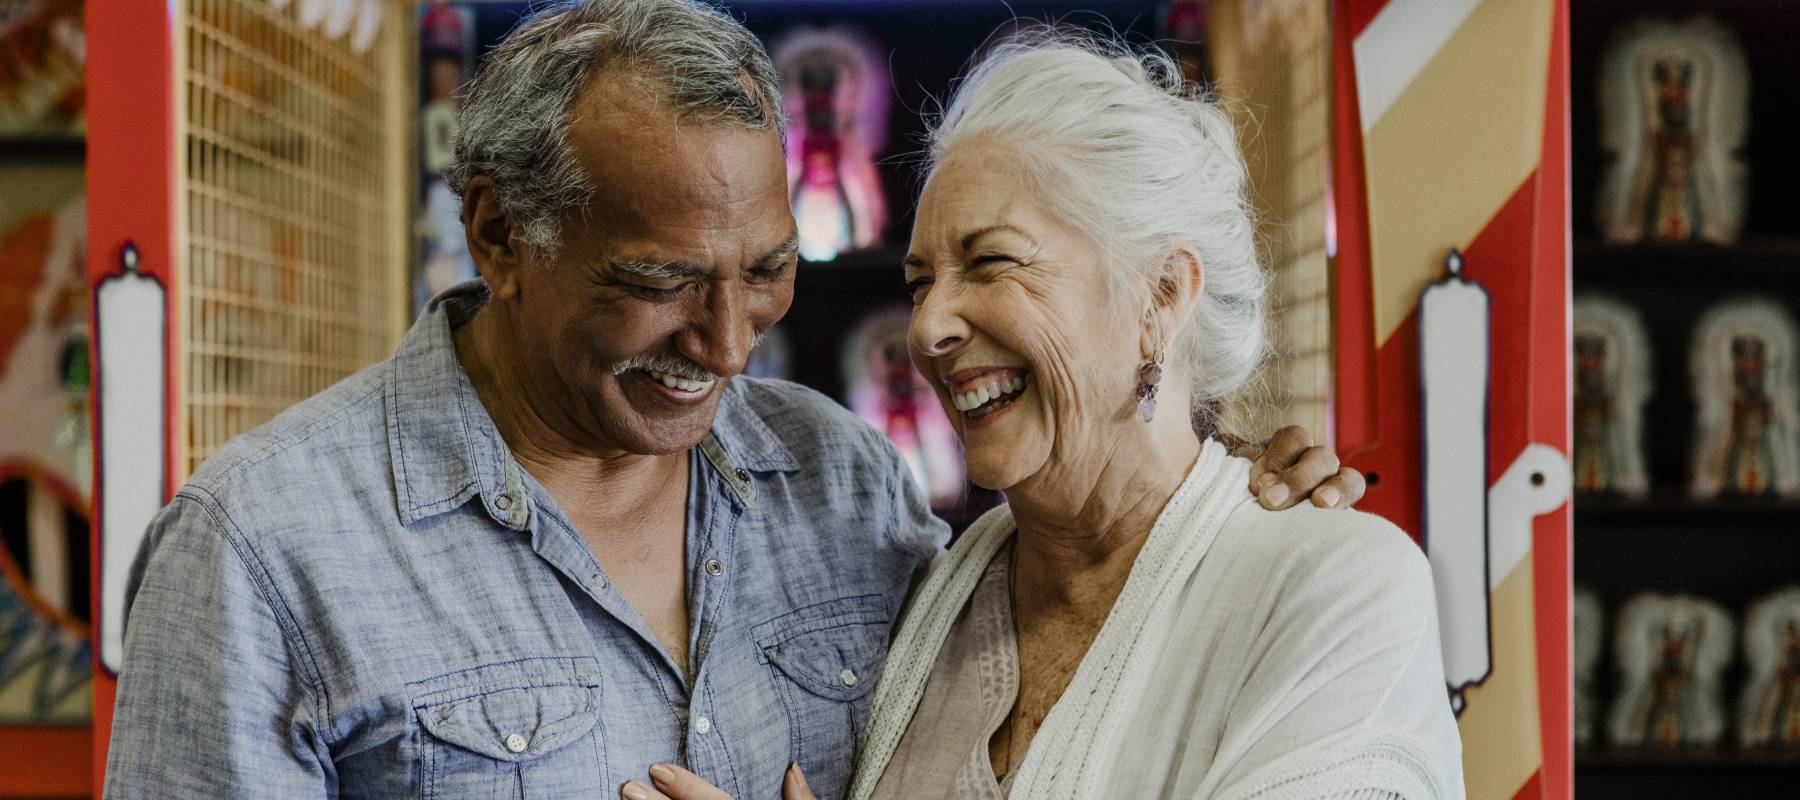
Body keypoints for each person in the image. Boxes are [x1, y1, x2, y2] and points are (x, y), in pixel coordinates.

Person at [100, 3, 1361, 799]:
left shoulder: (843, 481)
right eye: (658, 283)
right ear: (497, 230)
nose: (724, 343)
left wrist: (1216, 490)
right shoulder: (261, 550)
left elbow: (1066, 623)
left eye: (766, 275)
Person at [625, 30, 1460, 800]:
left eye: (991, 264)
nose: (927, 328)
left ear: (1160, 296)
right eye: (920, 283)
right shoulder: (933, 595)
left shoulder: (1337, 588)